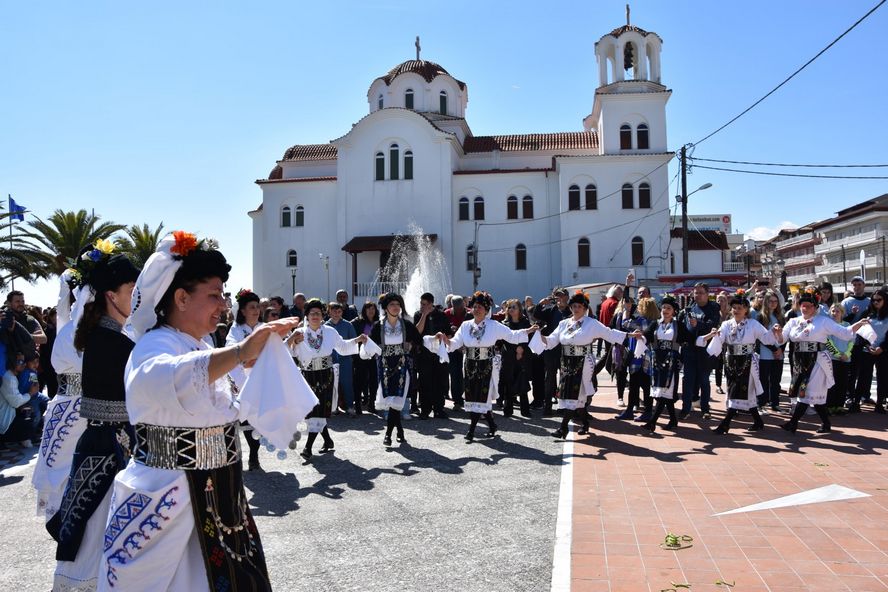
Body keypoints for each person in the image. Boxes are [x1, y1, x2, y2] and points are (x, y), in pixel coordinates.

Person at [100, 231, 303, 591]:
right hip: (172, 503)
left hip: (220, 495)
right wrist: (239, 352)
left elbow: (220, 401)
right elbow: (163, 378)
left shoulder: (199, 344)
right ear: (180, 297)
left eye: (223, 295)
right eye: (214, 295)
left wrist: (255, 359)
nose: (223, 304)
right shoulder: (154, 345)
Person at [48, 243, 141, 592]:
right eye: (131, 291)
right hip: (106, 453)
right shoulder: (110, 341)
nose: (137, 298)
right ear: (109, 295)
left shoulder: (111, 336)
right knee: (96, 541)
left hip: (107, 447)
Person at [431, 292, 536, 442]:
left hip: (486, 365)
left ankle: (471, 431)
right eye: (474, 307)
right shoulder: (466, 326)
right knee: (474, 397)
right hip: (470, 365)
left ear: (486, 310)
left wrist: (528, 330)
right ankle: (492, 425)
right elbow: (455, 343)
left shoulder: (493, 325)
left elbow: (512, 335)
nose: (477, 309)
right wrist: (445, 340)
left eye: (480, 307)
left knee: (482, 396)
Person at [533, 291, 633, 439]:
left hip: (583, 362)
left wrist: (630, 336)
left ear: (585, 308)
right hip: (566, 362)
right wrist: (538, 335)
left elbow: (609, 333)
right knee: (572, 395)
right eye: (573, 306)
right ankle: (585, 422)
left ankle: (563, 428)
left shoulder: (591, 323)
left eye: (579, 306)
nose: (575, 308)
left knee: (574, 395)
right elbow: (552, 341)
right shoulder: (563, 324)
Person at [774, 288, 870, 435]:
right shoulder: (793, 321)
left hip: (817, 361)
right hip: (799, 360)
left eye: (809, 306)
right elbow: (782, 339)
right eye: (803, 305)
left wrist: (859, 324)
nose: (805, 308)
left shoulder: (823, 321)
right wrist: (779, 333)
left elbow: (844, 333)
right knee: (812, 396)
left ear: (816, 307)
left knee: (806, 393)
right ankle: (826, 423)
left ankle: (792, 423)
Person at [33, 270, 88, 522]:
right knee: (64, 468)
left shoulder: (76, 330)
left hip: (72, 407)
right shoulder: (74, 331)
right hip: (74, 408)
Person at [288, 299, 368, 459]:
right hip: (307, 375)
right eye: (312, 314)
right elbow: (291, 353)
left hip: (326, 375)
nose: (315, 316)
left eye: (318, 313)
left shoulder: (330, 332)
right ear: (307, 316)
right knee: (312, 410)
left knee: (319, 410)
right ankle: (328, 440)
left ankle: (308, 447)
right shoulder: (299, 333)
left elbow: (343, 347)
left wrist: (357, 340)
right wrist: (292, 342)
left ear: (322, 315)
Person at [704, 291, 779, 434]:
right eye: (734, 308)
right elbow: (719, 339)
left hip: (747, 361)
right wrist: (714, 342)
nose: (737, 310)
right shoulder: (726, 324)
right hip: (731, 361)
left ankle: (726, 423)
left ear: (746, 310)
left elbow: (766, 338)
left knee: (736, 391)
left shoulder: (753, 324)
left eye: (740, 308)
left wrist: (774, 332)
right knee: (744, 393)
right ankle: (758, 421)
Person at [370, 293, 422, 446]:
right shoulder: (378, 326)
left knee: (397, 399)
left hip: (401, 366)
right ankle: (400, 431)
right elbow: (370, 345)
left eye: (398, 304)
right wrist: (375, 348)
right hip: (385, 367)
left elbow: (419, 340)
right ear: (386, 308)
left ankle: (388, 434)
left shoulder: (406, 325)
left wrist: (410, 344)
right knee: (391, 400)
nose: (396, 307)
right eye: (392, 304)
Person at [637, 296, 691, 433]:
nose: (665, 310)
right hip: (657, 361)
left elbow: (691, 339)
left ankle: (652, 422)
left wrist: (707, 335)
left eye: (669, 308)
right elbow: (646, 336)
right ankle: (673, 420)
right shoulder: (656, 324)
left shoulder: (678, 325)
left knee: (664, 393)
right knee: (661, 392)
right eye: (664, 307)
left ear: (674, 311)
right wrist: (640, 336)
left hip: (671, 361)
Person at [225, 289, 265, 470]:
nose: (256, 310)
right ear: (242, 311)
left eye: (258, 306)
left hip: (263, 378)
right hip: (242, 377)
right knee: (246, 418)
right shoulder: (235, 330)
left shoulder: (263, 328)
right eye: (252, 307)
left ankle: (255, 451)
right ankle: (253, 453)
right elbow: (233, 352)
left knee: (260, 418)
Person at [677, 283, 721, 419]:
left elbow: (712, 325)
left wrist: (699, 324)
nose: (698, 295)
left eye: (701, 292)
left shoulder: (713, 308)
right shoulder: (689, 308)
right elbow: (682, 325)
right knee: (688, 379)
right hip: (689, 349)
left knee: (703, 380)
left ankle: (705, 408)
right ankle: (685, 408)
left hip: (705, 351)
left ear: (708, 294)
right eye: (696, 293)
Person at [613, 296, 653, 421]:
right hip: (644, 358)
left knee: (641, 386)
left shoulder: (643, 321)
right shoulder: (653, 321)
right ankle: (636, 410)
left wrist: (626, 310)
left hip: (639, 359)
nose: (637, 308)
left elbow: (625, 323)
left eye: (640, 306)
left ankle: (644, 411)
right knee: (639, 385)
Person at [533, 287, 571, 415]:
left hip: (566, 349)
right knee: (549, 377)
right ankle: (547, 406)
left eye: (562, 296)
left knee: (565, 377)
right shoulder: (550, 310)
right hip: (551, 348)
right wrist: (541, 304)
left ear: (567, 297)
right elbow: (536, 315)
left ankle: (563, 406)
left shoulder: (572, 311)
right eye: (557, 296)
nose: (560, 299)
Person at [413, 292, 451, 419]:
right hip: (424, 354)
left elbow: (448, 333)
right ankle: (425, 410)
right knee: (424, 382)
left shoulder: (441, 315)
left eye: (424, 304)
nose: (422, 306)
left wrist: (444, 338)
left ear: (431, 304)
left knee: (440, 381)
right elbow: (417, 332)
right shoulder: (418, 314)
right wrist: (424, 315)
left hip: (439, 354)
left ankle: (439, 409)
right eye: (421, 304)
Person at [851, 287, 888, 414]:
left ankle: (880, 404)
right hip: (867, 351)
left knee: (883, 377)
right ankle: (856, 402)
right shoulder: (867, 314)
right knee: (863, 377)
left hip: (883, 351)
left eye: (879, 300)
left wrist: (881, 348)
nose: (876, 302)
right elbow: (860, 333)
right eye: (873, 300)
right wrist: (867, 346)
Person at [498, 299, 532, 418]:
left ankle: (525, 410)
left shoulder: (525, 322)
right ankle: (508, 410)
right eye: (509, 307)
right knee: (508, 382)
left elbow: (529, 337)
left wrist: (521, 348)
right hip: (508, 356)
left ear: (519, 309)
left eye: (514, 307)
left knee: (522, 381)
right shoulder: (504, 323)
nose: (511, 309)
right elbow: (503, 341)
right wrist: (515, 350)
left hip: (523, 356)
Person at [755, 289, 787, 412]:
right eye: (771, 301)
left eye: (775, 301)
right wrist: (774, 349)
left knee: (776, 380)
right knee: (763, 380)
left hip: (779, 354)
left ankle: (775, 403)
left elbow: (785, 335)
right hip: (765, 353)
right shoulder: (761, 317)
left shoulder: (780, 317)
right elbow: (761, 338)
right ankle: (761, 404)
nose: (774, 303)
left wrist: (781, 349)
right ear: (766, 302)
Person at [844, 276, 872, 412]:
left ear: (864, 285)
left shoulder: (871, 301)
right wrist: (852, 314)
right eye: (854, 284)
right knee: (852, 371)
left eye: (859, 284)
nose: (856, 287)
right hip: (851, 343)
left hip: (867, 342)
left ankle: (864, 395)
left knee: (866, 371)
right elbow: (841, 322)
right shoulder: (846, 302)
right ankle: (850, 396)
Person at [326, 301, 359, 416]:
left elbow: (354, 341)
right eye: (333, 311)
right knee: (332, 384)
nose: (336, 314)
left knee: (347, 383)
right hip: (330, 359)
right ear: (329, 312)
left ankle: (350, 406)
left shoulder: (348, 325)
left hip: (345, 359)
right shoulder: (325, 326)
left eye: (339, 311)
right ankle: (333, 408)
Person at [0, 352, 34, 447]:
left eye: (24, 361)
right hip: (4, 422)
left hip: (9, 413)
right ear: (12, 362)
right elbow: (16, 402)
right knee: (27, 424)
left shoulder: (11, 376)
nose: (23, 364)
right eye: (20, 361)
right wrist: (30, 393)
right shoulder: (9, 378)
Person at [351, 301, 380, 414]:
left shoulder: (379, 322)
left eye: (373, 309)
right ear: (364, 310)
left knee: (374, 381)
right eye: (368, 309)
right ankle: (358, 404)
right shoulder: (357, 322)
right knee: (359, 381)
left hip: (374, 357)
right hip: (360, 357)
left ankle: (372, 404)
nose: (371, 311)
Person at [825, 303, 854, 413]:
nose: (835, 313)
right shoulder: (828, 326)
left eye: (837, 311)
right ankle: (830, 406)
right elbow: (828, 342)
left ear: (842, 313)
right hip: (832, 359)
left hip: (846, 359)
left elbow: (852, 341)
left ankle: (839, 406)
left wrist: (846, 354)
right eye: (833, 311)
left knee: (843, 383)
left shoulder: (847, 325)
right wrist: (837, 354)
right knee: (832, 383)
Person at [443, 295, 468, 409]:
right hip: (453, 348)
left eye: (461, 307)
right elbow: (443, 330)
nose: (459, 310)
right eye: (456, 308)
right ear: (452, 306)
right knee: (454, 374)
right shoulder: (446, 314)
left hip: (467, 347)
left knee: (466, 375)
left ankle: (467, 397)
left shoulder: (469, 313)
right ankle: (457, 401)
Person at [712, 292, 730, 395]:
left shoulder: (730, 314)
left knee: (728, 366)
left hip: (728, 344)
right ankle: (718, 386)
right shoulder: (714, 314)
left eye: (722, 300)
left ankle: (728, 384)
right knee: (718, 366)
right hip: (718, 343)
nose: (720, 302)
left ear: (726, 302)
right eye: (718, 300)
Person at [40, 306, 60, 397]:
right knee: (52, 393)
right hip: (50, 368)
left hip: (64, 369)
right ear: (51, 317)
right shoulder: (47, 332)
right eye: (56, 315)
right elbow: (44, 352)